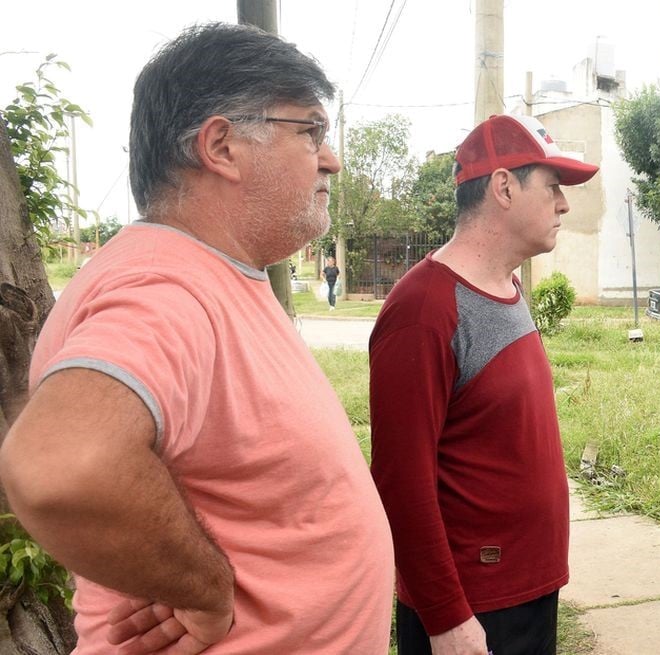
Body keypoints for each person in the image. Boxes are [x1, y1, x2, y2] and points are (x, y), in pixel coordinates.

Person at [0, 23, 394, 654]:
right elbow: (59, 466)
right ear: (222, 146)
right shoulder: (166, 285)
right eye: (310, 131)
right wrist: (206, 587)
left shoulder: (205, 274)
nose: (331, 159)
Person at [369, 114, 599, 655]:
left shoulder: (508, 286)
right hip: (473, 610)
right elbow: (401, 484)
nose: (564, 204)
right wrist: (447, 617)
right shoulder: (424, 310)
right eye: (552, 186)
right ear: (503, 187)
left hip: (527, 591)